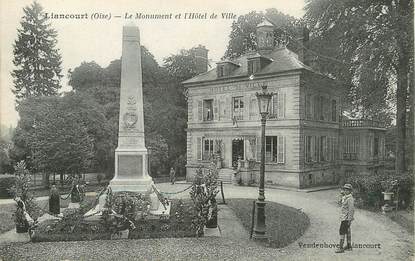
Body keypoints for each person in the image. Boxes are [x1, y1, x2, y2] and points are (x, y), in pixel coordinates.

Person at [335, 183, 355, 253]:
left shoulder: (350, 199)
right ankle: (349, 246)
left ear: (350, 191)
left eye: (347, 190)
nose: (346, 191)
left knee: (342, 231)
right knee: (347, 231)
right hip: (343, 217)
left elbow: (351, 210)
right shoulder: (345, 197)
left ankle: (340, 247)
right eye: (345, 190)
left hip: (346, 218)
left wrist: (349, 219)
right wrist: (341, 196)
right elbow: (339, 203)